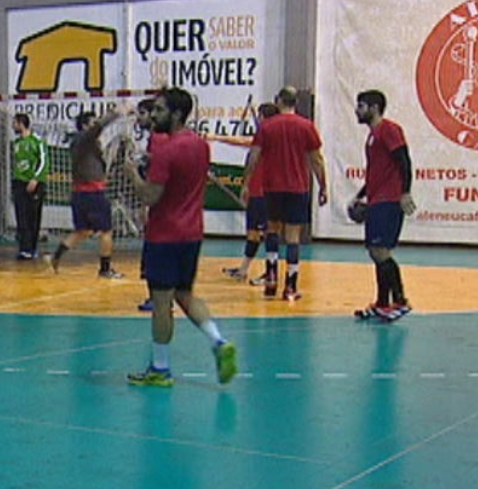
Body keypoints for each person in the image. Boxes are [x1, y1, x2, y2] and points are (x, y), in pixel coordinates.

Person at [123, 88, 238, 387]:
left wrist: (133, 173)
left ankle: (160, 369)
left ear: (175, 114)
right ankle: (219, 341)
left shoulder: (166, 149)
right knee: (185, 293)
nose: (153, 116)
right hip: (192, 233)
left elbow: (150, 196)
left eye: (159, 110)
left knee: (161, 303)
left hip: (164, 235)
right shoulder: (200, 145)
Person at [244, 87, 328, 301]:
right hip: (297, 187)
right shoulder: (306, 126)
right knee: (292, 237)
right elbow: (316, 159)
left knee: (272, 231)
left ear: (278, 101)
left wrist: (246, 184)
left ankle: (271, 277)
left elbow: (253, 157)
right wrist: (323, 186)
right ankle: (290, 285)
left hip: (272, 187)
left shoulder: (267, 126)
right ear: (295, 102)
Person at [352, 90, 416, 322]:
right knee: (375, 250)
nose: (357, 110)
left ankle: (400, 301)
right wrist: (360, 196)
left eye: (361, 106)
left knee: (381, 251)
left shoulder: (389, 130)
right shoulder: (372, 137)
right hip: (377, 199)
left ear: (374, 108)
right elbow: (376, 174)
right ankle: (381, 304)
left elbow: (404, 161)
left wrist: (405, 192)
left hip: (389, 200)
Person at [46, 106, 125, 278]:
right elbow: (98, 127)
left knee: (83, 231)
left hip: (79, 193)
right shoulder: (84, 139)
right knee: (106, 231)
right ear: (84, 126)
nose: (95, 125)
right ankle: (105, 269)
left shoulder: (82, 144)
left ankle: (56, 256)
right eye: (92, 122)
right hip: (92, 193)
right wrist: (117, 112)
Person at [208, 102, 279, 284]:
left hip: (264, 192)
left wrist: (217, 137)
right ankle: (243, 270)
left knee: (268, 232)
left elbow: (243, 142)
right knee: (253, 233)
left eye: (261, 116)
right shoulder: (263, 136)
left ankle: (270, 273)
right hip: (256, 191)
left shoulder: (270, 137)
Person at [10, 113, 49, 260]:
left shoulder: (37, 141)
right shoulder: (17, 143)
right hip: (19, 182)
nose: (13, 126)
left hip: (34, 183)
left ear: (21, 124)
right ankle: (24, 249)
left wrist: (36, 179)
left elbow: (44, 162)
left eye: (14, 123)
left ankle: (32, 248)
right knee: (21, 216)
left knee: (34, 216)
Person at [134, 97, 160, 311]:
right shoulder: (155, 139)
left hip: (157, 203)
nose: (138, 118)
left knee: (154, 250)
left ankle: (158, 298)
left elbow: (155, 175)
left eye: (141, 113)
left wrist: (146, 205)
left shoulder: (158, 139)